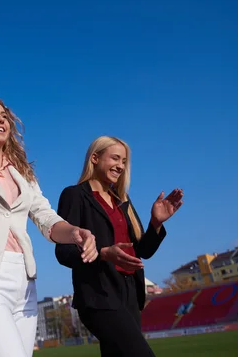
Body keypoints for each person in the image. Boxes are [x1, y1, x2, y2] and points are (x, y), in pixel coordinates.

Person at [0, 94, 98, 357]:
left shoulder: (22, 173)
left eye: (3, 115)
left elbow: (44, 216)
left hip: (24, 284)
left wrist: (74, 232)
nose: (0, 118)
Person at [55, 136, 184, 356]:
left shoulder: (122, 200)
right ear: (95, 158)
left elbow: (143, 251)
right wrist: (103, 254)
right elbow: (63, 251)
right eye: (115, 158)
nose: (120, 166)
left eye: (124, 161)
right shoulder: (74, 195)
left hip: (130, 295)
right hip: (98, 295)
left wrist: (156, 223)